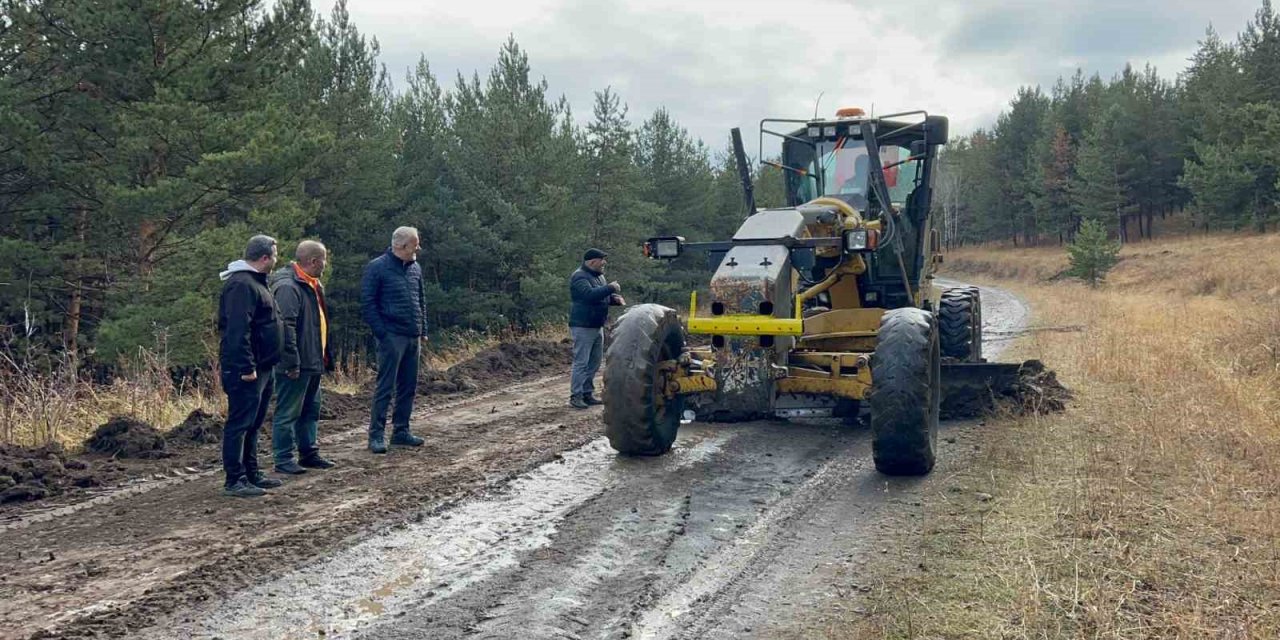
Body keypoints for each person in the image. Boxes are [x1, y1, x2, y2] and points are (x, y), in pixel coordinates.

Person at [217, 235, 285, 498]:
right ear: (265, 257)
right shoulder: (241, 285)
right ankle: (235, 479)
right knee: (240, 423)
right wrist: (246, 366)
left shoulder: (257, 283)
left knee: (254, 422)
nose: (276, 260)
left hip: (264, 366)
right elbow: (237, 330)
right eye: (275, 255)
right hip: (246, 370)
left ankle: (252, 472)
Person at [269, 240, 337, 475]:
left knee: (310, 409)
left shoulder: (313, 284)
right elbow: (285, 328)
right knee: (288, 412)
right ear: (314, 261)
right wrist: (291, 362)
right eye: (324, 260)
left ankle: (309, 453)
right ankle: (283, 458)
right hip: (296, 364)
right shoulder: (289, 287)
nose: (326, 264)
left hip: (313, 361)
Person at [361, 226, 428, 454]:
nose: (418, 247)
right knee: (385, 387)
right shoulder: (377, 268)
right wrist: (383, 334)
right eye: (415, 244)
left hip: (413, 336)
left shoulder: (415, 267)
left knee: (408, 386)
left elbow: (420, 298)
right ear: (402, 246)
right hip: (391, 336)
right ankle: (376, 435)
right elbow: (368, 304)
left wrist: (423, 328)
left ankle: (401, 431)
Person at [568, 248, 624, 409]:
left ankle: (587, 393)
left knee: (594, 362)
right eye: (602, 260)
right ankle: (576, 396)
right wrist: (611, 288)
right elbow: (588, 295)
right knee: (581, 362)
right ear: (593, 261)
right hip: (582, 326)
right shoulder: (579, 276)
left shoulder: (599, 277)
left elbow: (600, 297)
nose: (604, 263)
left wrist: (613, 299)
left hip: (597, 325)